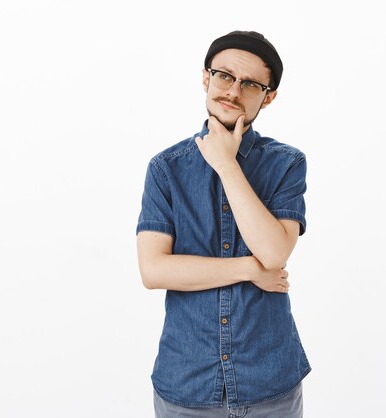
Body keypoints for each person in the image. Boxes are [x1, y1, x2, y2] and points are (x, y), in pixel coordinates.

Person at [136, 30, 310, 418]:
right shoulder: (166, 169)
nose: (232, 91)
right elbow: (153, 269)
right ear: (206, 78)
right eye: (224, 76)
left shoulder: (287, 163)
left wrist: (227, 165)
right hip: (187, 383)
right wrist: (250, 269)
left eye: (250, 84)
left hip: (270, 383)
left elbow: (275, 251)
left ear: (269, 97)